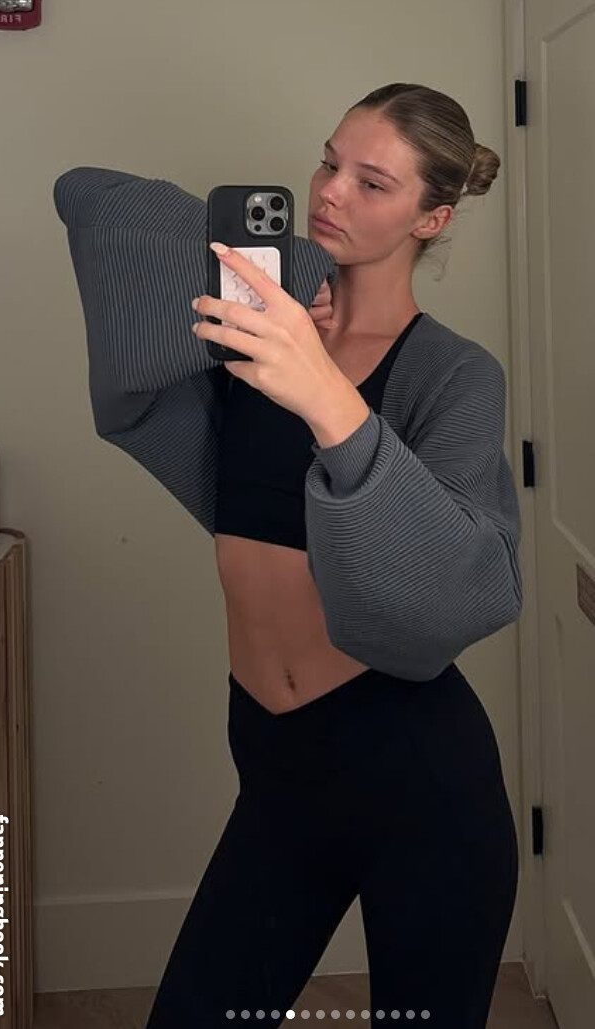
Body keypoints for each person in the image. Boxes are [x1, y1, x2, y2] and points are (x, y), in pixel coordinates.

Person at [55, 82, 522, 1028]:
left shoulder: (455, 373)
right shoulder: (248, 337)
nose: (331, 192)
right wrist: (276, 276)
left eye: (373, 183)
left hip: (414, 774)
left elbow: (469, 580)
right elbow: (86, 196)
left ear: (432, 218)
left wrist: (325, 395)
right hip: (276, 766)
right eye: (328, 162)